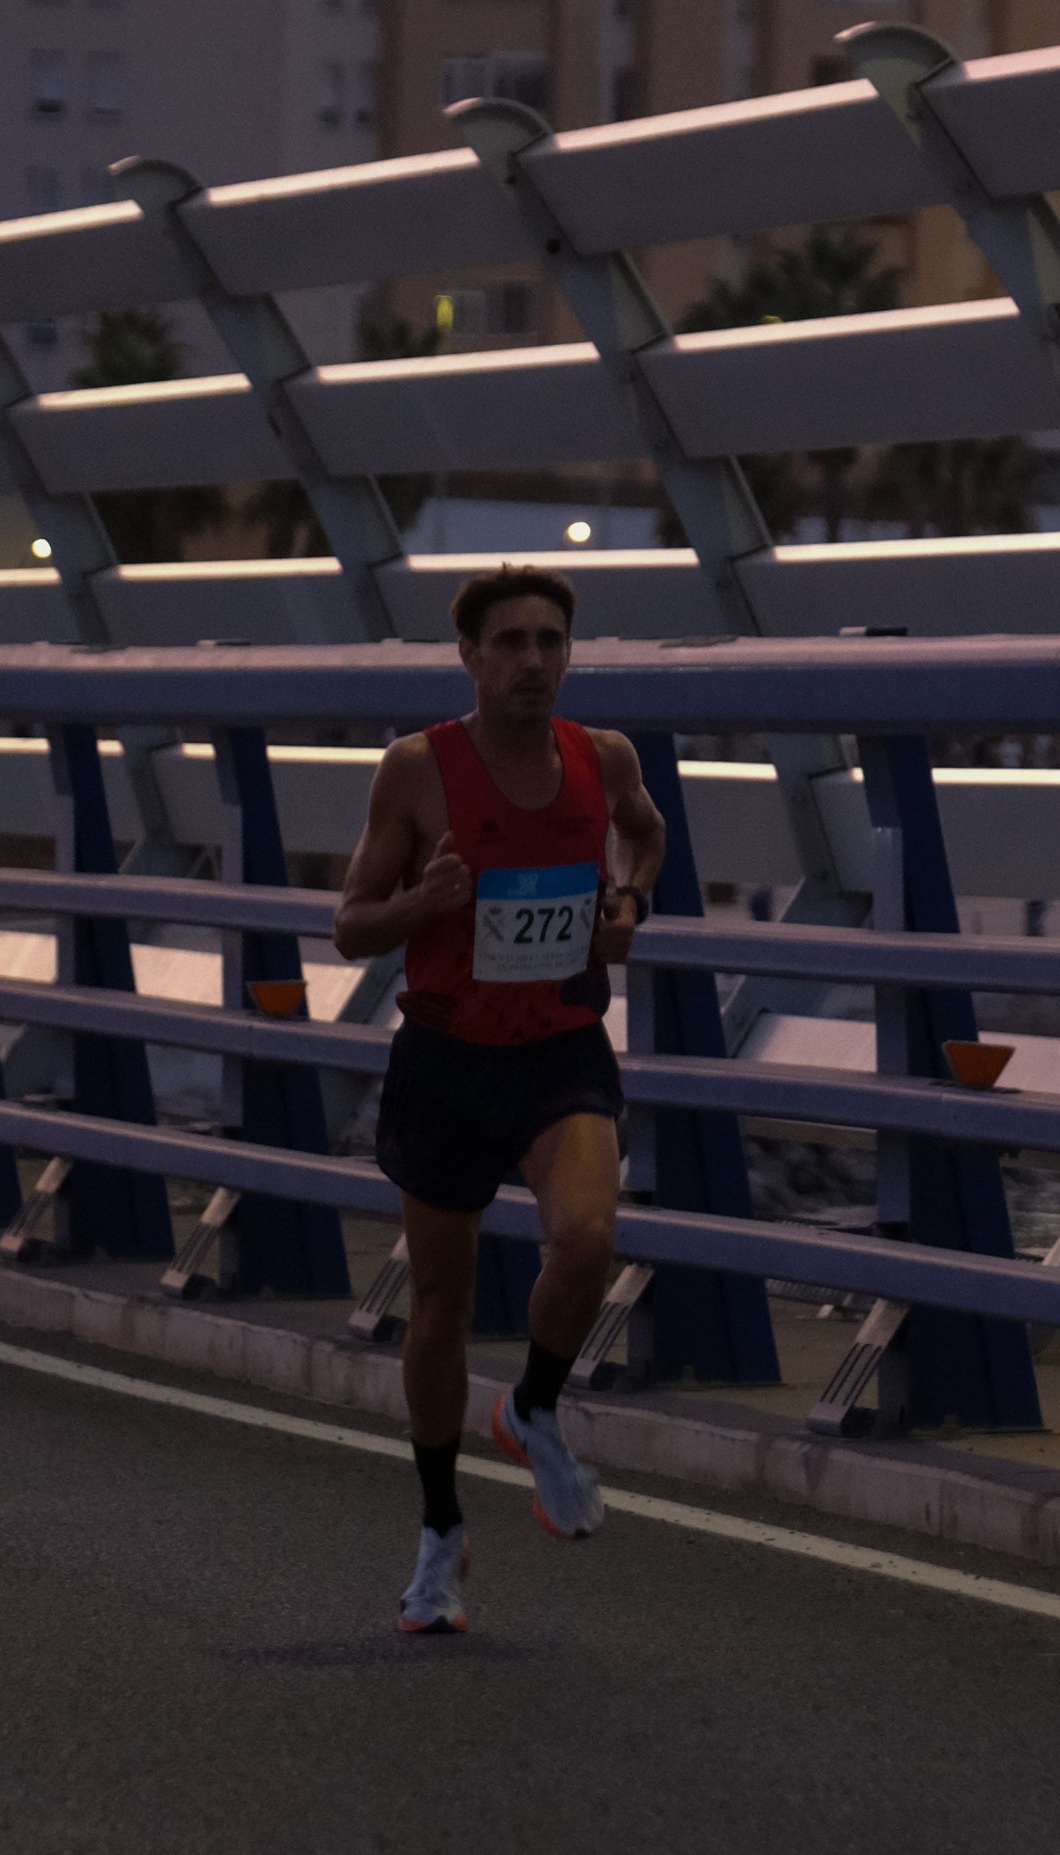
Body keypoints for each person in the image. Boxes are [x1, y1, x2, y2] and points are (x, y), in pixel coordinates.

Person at [333, 564, 666, 1634]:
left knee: (587, 1238)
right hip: (446, 1059)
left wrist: (629, 900)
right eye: (511, 642)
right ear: (470, 658)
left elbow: (644, 832)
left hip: (559, 1047)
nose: (533, 661)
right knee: (441, 1305)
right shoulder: (417, 771)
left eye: (551, 641)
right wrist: (422, 901)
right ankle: (439, 1534)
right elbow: (350, 923)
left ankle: (532, 1405)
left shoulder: (601, 757)